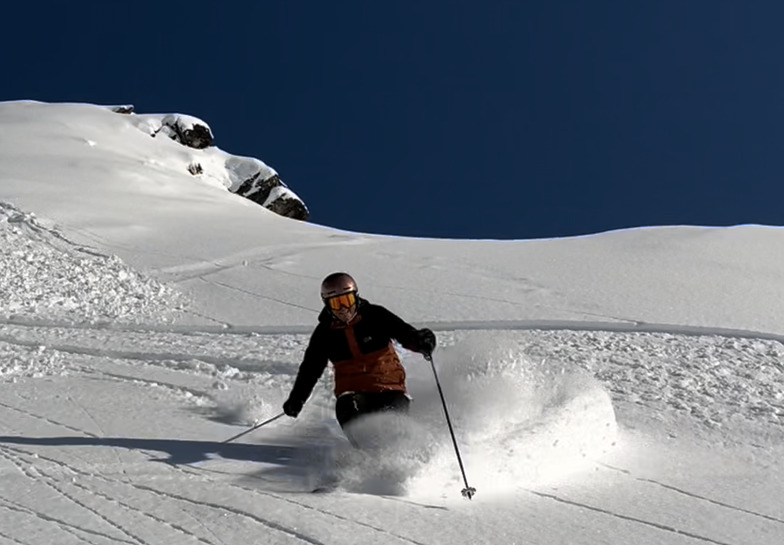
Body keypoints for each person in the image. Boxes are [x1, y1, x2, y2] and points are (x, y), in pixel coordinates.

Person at [282, 272, 436, 440]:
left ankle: (405, 454)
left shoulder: (375, 316)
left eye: (347, 300)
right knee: (347, 407)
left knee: (393, 415)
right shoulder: (324, 333)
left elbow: (405, 334)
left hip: (389, 388)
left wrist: (421, 342)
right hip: (354, 393)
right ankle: (365, 455)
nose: (343, 309)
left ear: (355, 297)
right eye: (336, 303)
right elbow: (310, 369)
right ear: (327, 304)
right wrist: (297, 400)